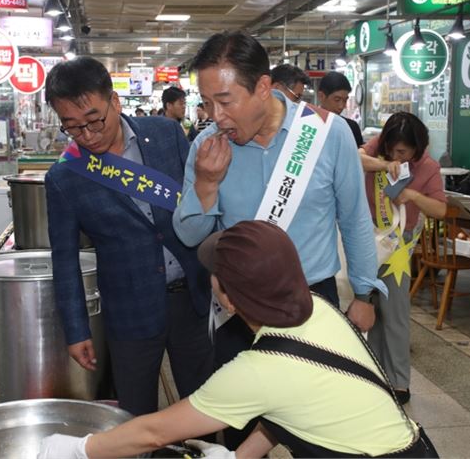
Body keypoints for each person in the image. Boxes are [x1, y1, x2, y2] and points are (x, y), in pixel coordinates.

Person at [38, 221, 437, 459]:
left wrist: (79, 449)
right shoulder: (318, 307)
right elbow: (293, 407)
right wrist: (240, 455)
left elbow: (154, 433)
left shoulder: (256, 371)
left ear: (229, 299)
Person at [172, 31, 386, 446]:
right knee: (238, 432)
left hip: (314, 303)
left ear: (263, 87)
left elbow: (355, 218)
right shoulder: (206, 146)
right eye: (207, 102)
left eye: (225, 100)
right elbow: (189, 234)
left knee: (319, 430)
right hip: (238, 309)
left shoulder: (329, 133)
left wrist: (364, 294)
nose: (215, 115)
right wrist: (205, 183)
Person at [43, 56, 213, 417]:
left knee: (203, 408)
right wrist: (76, 330)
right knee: (134, 418)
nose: (87, 136)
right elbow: (65, 260)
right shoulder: (64, 178)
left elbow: (199, 203)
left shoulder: (167, 135)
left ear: (115, 102)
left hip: (192, 299)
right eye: (72, 128)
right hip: (130, 311)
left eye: (93, 121)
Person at [358, 112, 447, 405]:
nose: (397, 154)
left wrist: (412, 195)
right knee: (363, 309)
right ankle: (371, 373)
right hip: (364, 238)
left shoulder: (428, 166)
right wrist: (385, 164)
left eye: (403, 152)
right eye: (392, 149)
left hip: (397, 246)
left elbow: (440, 210)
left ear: (417, 148)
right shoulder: (378, 148)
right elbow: (355, 158)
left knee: (393, 313)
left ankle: (398, 381)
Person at [317, 71, 364, 147]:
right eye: (337, 100)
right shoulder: (307, 126)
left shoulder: (351, 128)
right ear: (321, 96)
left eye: (345, 100)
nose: (341, 106)